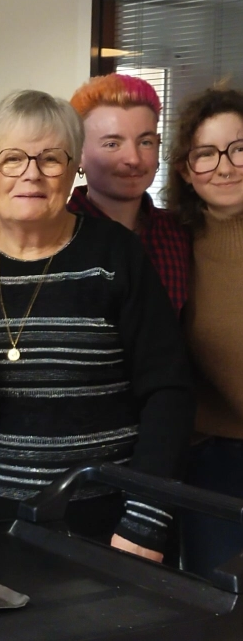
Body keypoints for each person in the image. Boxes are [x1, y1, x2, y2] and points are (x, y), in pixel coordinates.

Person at [0, 89, 194, 560]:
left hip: (101, 524)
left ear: (74, 171)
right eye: (12, 158)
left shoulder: (116, 256)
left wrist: (145, 521)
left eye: (50, 159)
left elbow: (169, 391)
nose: (31, 174)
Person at [164, 87, 243, 579]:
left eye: (240, 148)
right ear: (186, 169)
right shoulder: (171, 241)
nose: (225, 165)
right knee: (223, 607)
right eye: (206, 153)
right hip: (214, 457)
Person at [69, 74, 190, 312]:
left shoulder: (180, 235)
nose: (133, 159)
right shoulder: (53, 236)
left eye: (145, 142)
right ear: (78, 152)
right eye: (112, 144)